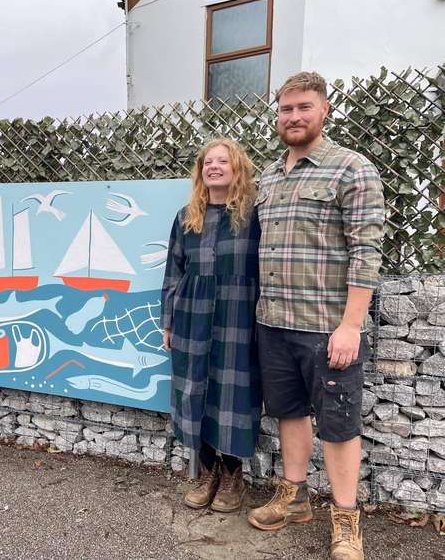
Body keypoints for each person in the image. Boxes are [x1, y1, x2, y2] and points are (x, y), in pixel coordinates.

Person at [248, 72, 384, 560]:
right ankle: (294, 497)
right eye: (285, 109)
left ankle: (346, 521)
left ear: (324, 110)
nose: (293, 117)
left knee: (340, 424)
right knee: (288, 412)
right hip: (274, 322)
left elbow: (366, 252)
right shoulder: (269, 177)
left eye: (303, 107)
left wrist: (350, 325)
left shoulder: (351, 169)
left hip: (326, 328)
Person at [161, 138, 262, 513]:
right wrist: (167, 322)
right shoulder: (187, 216)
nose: (214, 167)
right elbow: (174, 272)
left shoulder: (254, 216)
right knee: (193, 390)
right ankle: (206, 471)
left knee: (233, 393)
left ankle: (233, 475)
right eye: (208, 162)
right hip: (192, 314)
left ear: (238, 168)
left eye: (223, 161)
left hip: (239, 317)